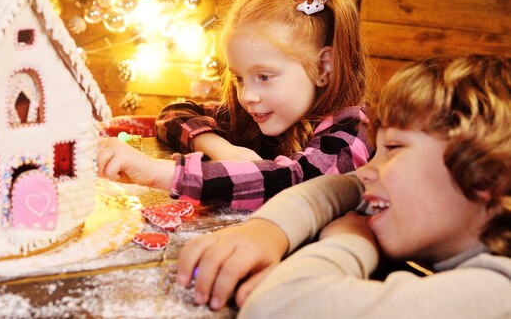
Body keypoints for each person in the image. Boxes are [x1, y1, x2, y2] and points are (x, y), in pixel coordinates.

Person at [176, 55, 511, 316]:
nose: (367, 171)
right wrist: (267, 231)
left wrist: (350, 241)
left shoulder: (499, 295)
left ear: (486, 174)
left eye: (393, 148)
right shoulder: (444, 213)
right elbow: (339, 187)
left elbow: (275, 307)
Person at [97, 0, 372, 210]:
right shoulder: (263, 115)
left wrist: (159, 173)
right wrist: (219, 147)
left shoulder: (352, 133)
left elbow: (291, 185)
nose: (247, 96)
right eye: (239, 78)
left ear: (324, 68)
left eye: (263, 76)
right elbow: (175, 113)